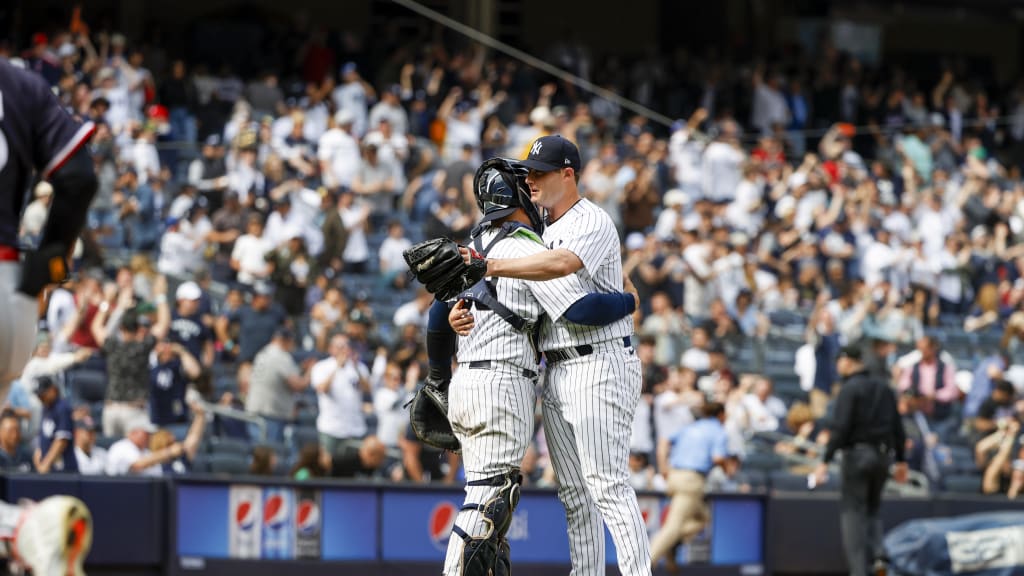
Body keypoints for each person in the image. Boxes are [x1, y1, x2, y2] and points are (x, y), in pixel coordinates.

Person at [455, 136, 650, 576]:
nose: (531, 180)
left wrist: (487, 265)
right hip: (557, 367)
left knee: (607, 486)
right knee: (576, 496)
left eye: (541, 173)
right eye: (528, 172)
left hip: (599, 361)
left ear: (568, 174)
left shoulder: (591, 219)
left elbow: (562, 266)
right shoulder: (538, 226)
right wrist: (458, 309)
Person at [0, 58, 97, 576]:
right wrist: (50, 262)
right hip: (10, 290)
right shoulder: (19, 82)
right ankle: (27, 534)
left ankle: (25, 530)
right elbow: (78, 178)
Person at [812, 344, 908, 576]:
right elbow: (898, 428)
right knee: (873, 509)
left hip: (857, 456)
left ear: (847, 361)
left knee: (853, 513)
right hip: (883, 457)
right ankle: (879, 555)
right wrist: (901, 461)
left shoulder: (849, 388)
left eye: (839, 361)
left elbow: (841, 427)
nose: (838, 366)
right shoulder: (885, 388)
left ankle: (858, 571)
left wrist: (825, 460)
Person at [650, 402, 734, 572]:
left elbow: (663, 442)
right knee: (673, 527)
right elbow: (718, 458)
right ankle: (643, 565)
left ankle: (672, 545)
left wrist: (663, 467)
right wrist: (727, 469)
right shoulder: (718, 431)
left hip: (674, 476)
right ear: (720, 415)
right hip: (691, 480)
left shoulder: (690, 427)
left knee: (702, 519)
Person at [33, 375, 77, 475]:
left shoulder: (62, 407)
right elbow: (44, 435)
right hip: (50, 469)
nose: (40, 397)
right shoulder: (46, 408)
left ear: (53, 390)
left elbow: (62, 440)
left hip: (64, 470)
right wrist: (38, 454)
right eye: (39, 395)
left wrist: (46, 464)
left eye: (42, 394)